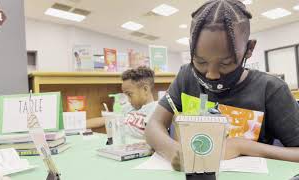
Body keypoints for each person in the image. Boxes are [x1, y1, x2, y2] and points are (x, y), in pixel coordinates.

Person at [145, 0, 299, 171]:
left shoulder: (271, 89)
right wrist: (173, 150)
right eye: (200, 61)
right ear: (190, 49)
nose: (211, 74)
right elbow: (154, 125)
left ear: (249, 49)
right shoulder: (186, 76)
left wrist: (242, 146)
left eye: (226, 63)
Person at [88, 66, 157, 139]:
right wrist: (78, 125)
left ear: (145, 89)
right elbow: (107, 119)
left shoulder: (156, 110)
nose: (128, 100)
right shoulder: (128, 108)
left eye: (129, 94)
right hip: (119, 145)